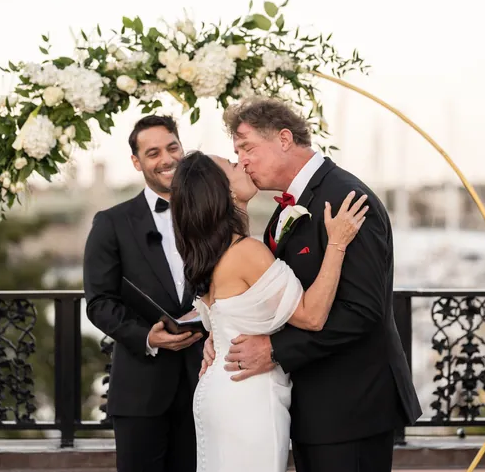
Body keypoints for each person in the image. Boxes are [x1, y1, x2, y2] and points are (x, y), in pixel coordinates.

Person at [201, 98, 423, 472]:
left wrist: (274, 349)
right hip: (311, 408)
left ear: (284, 139)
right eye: (237, 153)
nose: (244, 161)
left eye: (247, 147)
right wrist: (223, 332)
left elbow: (362, 311)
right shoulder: (285, 209)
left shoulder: (347, 200)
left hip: (350, 407)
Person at [169, 150, 367, 472]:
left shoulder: (210, 252)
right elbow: (312, 316)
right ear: (224, 190)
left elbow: (223, 317)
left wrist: (215, 341)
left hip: (219, 387)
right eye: (233, 165)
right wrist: (337, 243)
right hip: (248, 395)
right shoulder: (245, 251)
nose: (243, 163)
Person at [83, 115, 204, 472]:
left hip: (205, 385)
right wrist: (147, 336)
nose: (166, 159)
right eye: (153, 153)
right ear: (137, 162)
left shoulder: (211, 213)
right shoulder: (111, 223)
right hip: (141, 390)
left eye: (172, 147)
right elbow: (99, 301)